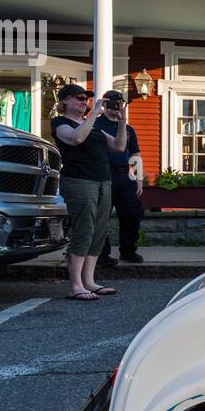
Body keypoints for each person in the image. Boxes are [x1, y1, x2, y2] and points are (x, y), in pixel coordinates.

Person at [50, 84, 125, 301]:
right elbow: (75, 139)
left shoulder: (90, 125)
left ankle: (89, 281)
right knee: (84, 228)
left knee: (99, 230)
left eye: (86, 98)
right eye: (78, 98)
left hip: (103, 180)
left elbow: (119, 147)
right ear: (64, 101)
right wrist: (95, 113)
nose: (84, 101)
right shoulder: (60, 123)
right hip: (79, 181)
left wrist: (121, 120)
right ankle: (75, 285)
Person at [95, 91, 144, 267]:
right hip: (103, 174)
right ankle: (101, 254)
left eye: (119, 103)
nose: (116, 107)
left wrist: (138, 178)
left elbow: (135, 153)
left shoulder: (128, 129)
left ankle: (128, 250)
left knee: (132, 213)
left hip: (125, 175)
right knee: (101, 215)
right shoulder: (95, 124)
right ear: (104, 104)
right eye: (112, 103)